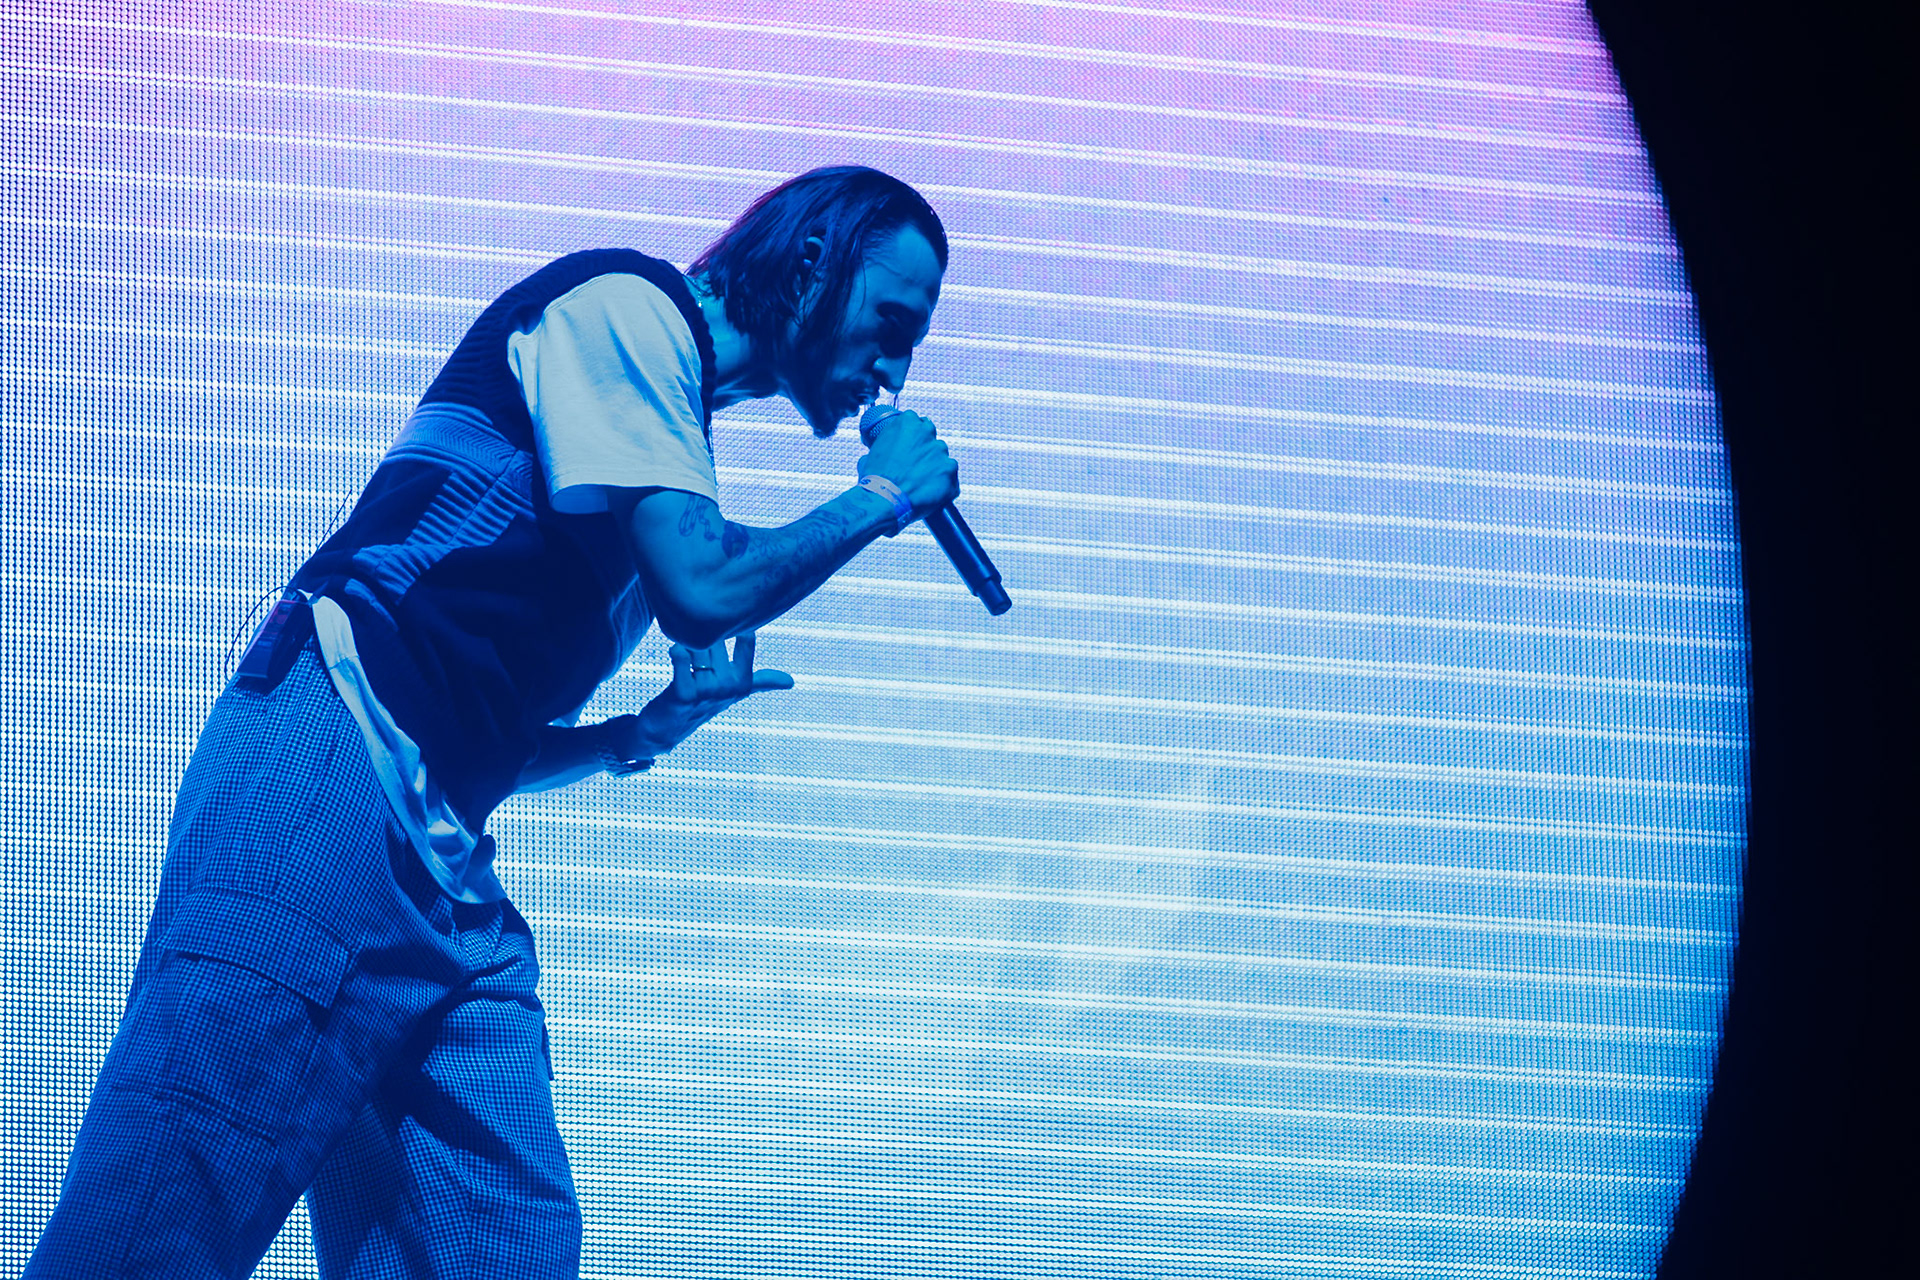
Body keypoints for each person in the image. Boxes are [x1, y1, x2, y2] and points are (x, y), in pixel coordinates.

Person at [27, 165, 957, 1279]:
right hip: (330, 776)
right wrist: (882, 497)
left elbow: (492, 720)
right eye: (891, 322)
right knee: (168, 1209)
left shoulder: (650, 450)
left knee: (497, 1240)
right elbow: (707, 587)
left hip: (434, 860)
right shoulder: (627, 311)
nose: (893, 368)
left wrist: (635, 734)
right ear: (812, 265)